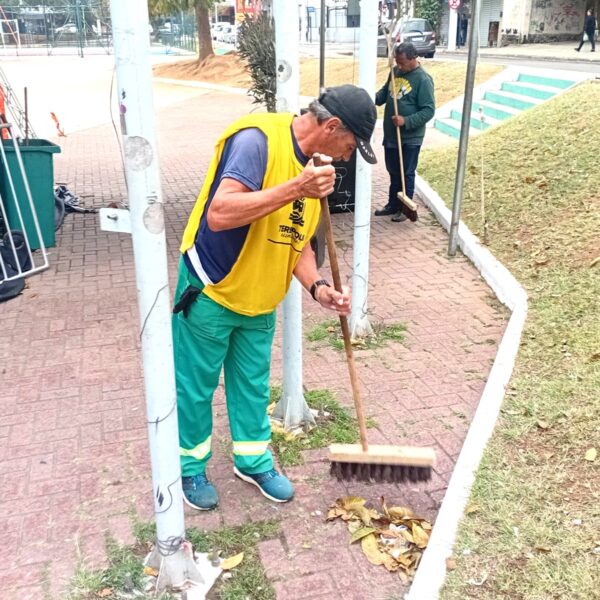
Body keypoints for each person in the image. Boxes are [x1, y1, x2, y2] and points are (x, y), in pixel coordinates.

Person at [172, 85, 377, 511]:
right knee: (195, 387)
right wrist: (296, 188)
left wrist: (318, 287)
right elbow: (220, 213)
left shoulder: (314, 168)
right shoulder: (257, 141)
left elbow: (295, 241)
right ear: (332, 126)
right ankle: (189, 467)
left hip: (261, 299)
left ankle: (252, 460)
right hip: (212, 290)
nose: (346, 157)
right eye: (350, 146)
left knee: (252, 387)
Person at [374, 42, 435, 222]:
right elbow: (384, 94)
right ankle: (392, 204)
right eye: (397, 62)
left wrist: (406, 121)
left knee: (406, 172)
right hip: (392, 135)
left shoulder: (423, 79)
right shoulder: (395, 72)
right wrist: (369, 97)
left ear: (413, 58)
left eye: (402, 62)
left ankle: (405, 208)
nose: (399, 66)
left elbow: (428, 110)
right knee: (393, 172)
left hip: (410, 137)